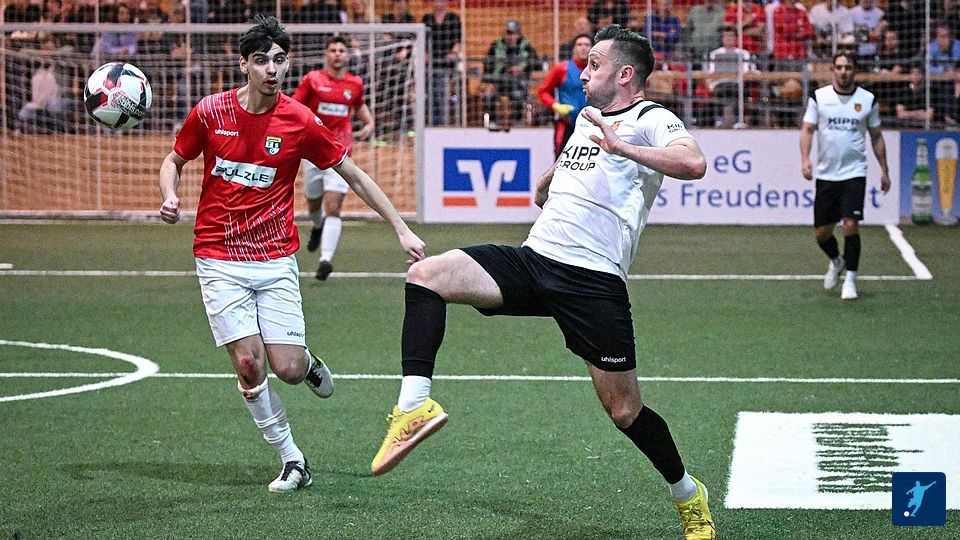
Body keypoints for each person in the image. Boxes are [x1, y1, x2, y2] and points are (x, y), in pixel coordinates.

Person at [369, 24, 716, 540]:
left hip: (593, 282)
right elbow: (556, 183)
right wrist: (552, 178)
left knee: (624, 411)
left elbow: (693, 163)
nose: (583, 72)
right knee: (426, 275)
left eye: (594, 64)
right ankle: (413, 407)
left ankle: (688, 494)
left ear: (625, 74)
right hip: (535, 261)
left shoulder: (650, 117)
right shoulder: (586, 119)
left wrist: (623, 147)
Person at [157, 15, 425, 493]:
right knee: (249, 364)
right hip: (217, 256)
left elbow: (354, 175)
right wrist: (170, 195)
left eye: (279, 60)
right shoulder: (210, 112)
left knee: (290, 369)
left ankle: (308, 362)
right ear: (243, 64)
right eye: (262, 60)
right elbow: (174, 160)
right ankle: (292, 458)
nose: (272, 69)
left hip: (275, 257)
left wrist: (400, 228)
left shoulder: (299, 120)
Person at [799, 52, 890, 301]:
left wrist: (884, 170)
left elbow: (877, 136)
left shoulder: (868, 100)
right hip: (826, 174)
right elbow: (807, 129)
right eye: (839, 67)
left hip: (854, 172)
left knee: (850, 224)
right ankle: (837, 261)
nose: (843, 71)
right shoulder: (819, 97)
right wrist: (805, 159)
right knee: (822, 234)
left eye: (848, 67)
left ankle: (850, 279)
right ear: (832, 70)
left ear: (855, 71)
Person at [292, 36, 374, 280]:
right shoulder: (312, 80)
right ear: (326, 54)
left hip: (340, 151)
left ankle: (325, 260)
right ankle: (317, 226)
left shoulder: (355, 83)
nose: (337, 54)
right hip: (312, 151)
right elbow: (294, 107)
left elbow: (359, 106)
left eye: (341, 50)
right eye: (333, 50)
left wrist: (368, 123)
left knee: (334, 206)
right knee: (313, 204)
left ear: (347, 55)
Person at [537, 33, 592, 157]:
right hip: (566, 124)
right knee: (561, 162)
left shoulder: (598, 70)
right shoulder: (562, 69)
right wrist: (556, 106)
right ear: (574, 49)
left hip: (592, 125)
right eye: (579, 45)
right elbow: (543, 91)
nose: (583, 48)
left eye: (587, 45)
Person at [482, 20, 539, 128]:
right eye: (509, 33)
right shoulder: (496, 45)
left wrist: (522, 68)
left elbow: (536, 64)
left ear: (519, 34)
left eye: (514, 33)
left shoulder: (526, 46)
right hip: (498, 82)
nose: (511, 36)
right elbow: (487, 66)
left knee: (518, 95)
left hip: (518, 83)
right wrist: (488, 83)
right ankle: (493, 122)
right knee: (488, 96)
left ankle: (517, 122)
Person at [422, 0, 462, 126]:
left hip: (446, 64)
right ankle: (431, 123)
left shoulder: (453, 18)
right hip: (430, 64)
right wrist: (424, 54)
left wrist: (453, 53)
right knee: (429, 93)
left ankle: (439, 124)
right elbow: (422, 40)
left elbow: (458, 41)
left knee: (439, 92)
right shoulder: (427, 19)